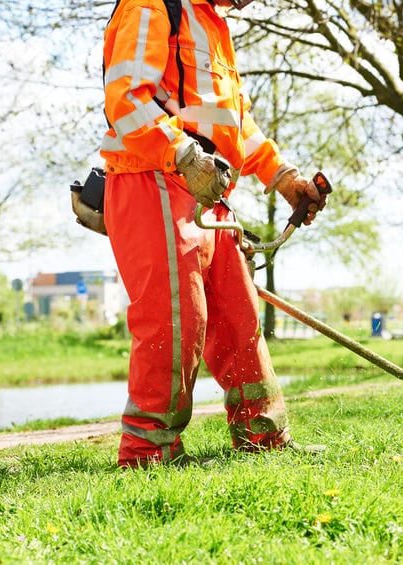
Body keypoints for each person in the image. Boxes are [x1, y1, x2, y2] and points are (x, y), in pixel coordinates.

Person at [100, 0, 327, 468]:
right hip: (153, 176)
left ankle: (261, 438)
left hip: (205, 185)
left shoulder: (211, 22)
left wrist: (283, 176)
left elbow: (233, 121)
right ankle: (148, 452)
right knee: (175, 319)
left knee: (236, 315)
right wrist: (182, 153)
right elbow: (125, 96)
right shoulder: (152, 4)